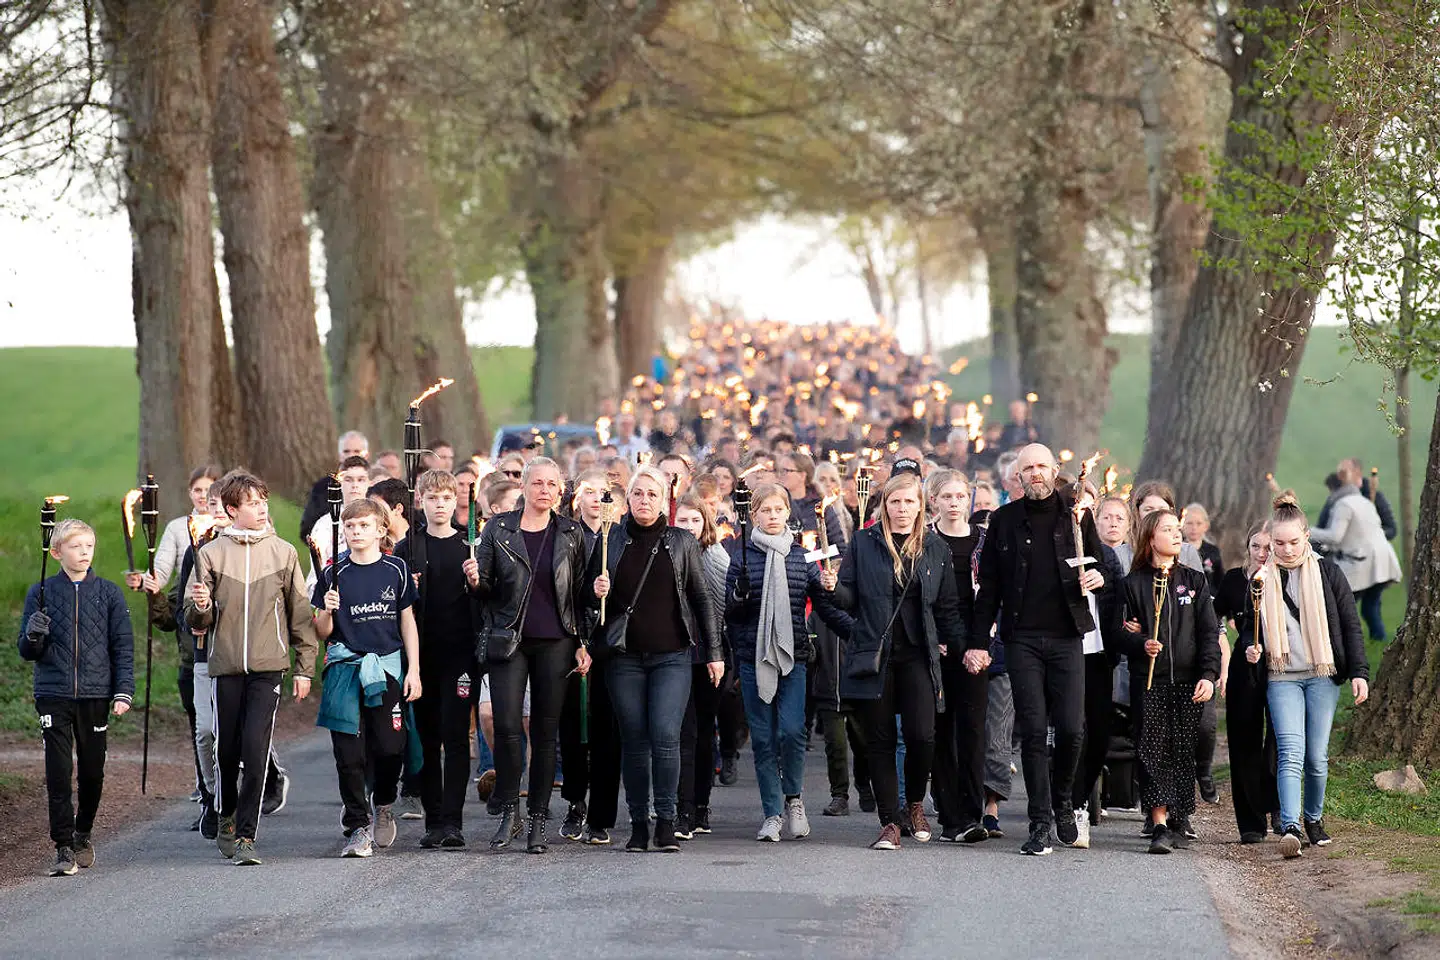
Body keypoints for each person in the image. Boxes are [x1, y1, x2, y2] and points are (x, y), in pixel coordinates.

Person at [820, 465, 967, 851]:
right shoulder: (865, 543)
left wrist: (964, 649)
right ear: (884, 505)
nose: (902, 508)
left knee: (922, 735)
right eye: (895, 501)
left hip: (919, 654)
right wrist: (834, 588)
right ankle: (889, 822)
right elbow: (849, 599)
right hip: (876, 653)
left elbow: (948, 607)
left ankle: (915, 802)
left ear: (921, 506)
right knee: (881, 741)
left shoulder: (935, 548)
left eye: (909, 502)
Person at [972, 444, 1107, 856]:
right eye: (1026, 468)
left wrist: (1097, 578)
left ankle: (1063, 801)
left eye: (1040, 467)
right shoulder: (1004, 521)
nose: (1034, 474)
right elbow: (990, 585)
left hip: (1067, 635)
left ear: (1054, 471)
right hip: (1021, 637)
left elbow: (1100, 564)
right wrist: (978, 642)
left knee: (1070, 728)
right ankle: (1039, 822)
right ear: (1017, 477)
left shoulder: (1075, 515)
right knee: (1032, 732)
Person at [186, 470, 319, 866]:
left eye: (264, 502)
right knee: (227, 749)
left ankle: (246, 834)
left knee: (255, 748)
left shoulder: (283, 552)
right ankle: (225, 813)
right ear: (231, 510)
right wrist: (201, 606)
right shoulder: (210, 554)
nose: (262, 509)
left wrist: (304, 668)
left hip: (268, 668)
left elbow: (300, 615)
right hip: (225, 667)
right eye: (252, 503)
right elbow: (195, 623)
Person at [590, 466, 725, 853]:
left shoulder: (681, 541)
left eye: (651, 494)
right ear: (627, 499)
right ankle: (637, 823)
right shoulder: (610, 539)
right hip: (624, 657)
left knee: (666, 735)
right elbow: (586, 594)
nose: (644, 501)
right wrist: (594, 588)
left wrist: (714, 654)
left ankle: (665, 821)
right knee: (634, 739)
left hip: (673, 656)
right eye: (637, 494)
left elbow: (702, 601)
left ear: (664, 498)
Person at [469, 456, 592, 854]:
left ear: (560, 491)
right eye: (536, 482)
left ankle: (538, 815)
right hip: (509, 639)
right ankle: (510, 809)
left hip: (556, 641)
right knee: (505, 725)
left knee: (544, 730)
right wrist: (474, 579)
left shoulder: (571, 534)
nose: (543, 490)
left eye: (551, 484)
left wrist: (584, 638)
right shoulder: (498, 529)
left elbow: (581, 595)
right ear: (523, 487)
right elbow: (485, 590)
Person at [1244, 493, 1369, 859]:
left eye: (1293, 542)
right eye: (1277, 543)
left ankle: (1314, 819)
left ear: (1306, 536)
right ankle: (1291, 825)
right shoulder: (1260, 578)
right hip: (1282, 675)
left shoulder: (1327, 572)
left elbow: (1350, 625)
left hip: (1322, 673)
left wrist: (1359, 672)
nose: (1284, 549)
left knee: (1316, 756)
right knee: (1290, 751)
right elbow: (1249, 627)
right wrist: (1252, 649)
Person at [726, 483, 851, 842]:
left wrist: (856, 632)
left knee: (793, 731)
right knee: (763, 739)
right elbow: (731, 612)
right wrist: (739, 594)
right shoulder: (743, 556)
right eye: (765, 510)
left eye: (778, 510)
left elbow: (824, 606)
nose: (772, 516)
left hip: (793, 656)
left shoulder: (800, 557)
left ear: (787, 514)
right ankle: (771, 813)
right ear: (754, 516)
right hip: (753, 659)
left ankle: (794, 798)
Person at [18, 518, 134, 877]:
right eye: (76, 546)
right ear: (57, 552)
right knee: (58, 771)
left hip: (96, 694)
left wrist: (123, 690)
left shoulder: (110, 593)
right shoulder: (40, 592)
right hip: (53, 693)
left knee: (92, 772)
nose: (84, 552)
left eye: (89, 546)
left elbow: (122, 646)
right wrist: (35, 634)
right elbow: (27, 650)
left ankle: (83, 831)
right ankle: (63, 846)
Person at [313, 498, 422, 858]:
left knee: (391, 746)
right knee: (349, 752)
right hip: (345, 668)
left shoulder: (397, 569)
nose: (356, 532)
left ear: (380, 530)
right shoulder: (333, 573)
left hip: (387, 666)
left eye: (363, 526)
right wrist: (327, 611)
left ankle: (384, 801)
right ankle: (357, 826)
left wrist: (414, 671)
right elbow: (322, 631)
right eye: (350, 526)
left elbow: (407, 622)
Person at [1119, 510, 1220, 854]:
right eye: (1168, 530)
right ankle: (1158, 821)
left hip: (1188, 680)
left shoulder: (1194, 581)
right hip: (1150, 681)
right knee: (1152, 749)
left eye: (1179, 530)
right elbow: (1117, 632)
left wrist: (1208, 674)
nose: (1177, 535)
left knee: (1182, 749)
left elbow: (1208, 632)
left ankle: (1179, 816)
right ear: (1150, 538)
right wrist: (1140, 642)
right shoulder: (1132, 584)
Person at [396, 470, 478, 849]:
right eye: (433, 498)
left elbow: (486, 598)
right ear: (421, 502)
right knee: (428, 737)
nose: (440, 504)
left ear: (456, 500)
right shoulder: (408, 548)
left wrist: (477, 583)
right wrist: (407, 590)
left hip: (460, 655)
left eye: (447, 497)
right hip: (422, 655)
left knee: (455, 734)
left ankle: (454, 821)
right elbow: (395, 603)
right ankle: (433, 819)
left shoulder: (470, 546)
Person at [925, 470, 993, 844]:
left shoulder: (984, 542)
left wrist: (980, 643)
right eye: (946, 496)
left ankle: (972, 812)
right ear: (933, 501)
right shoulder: (927, 543)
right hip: (937, 646)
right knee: (940, 729)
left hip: (976, 647)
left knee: (973, 730)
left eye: (960, 496)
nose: (954, 503)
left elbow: (993, 594)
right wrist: (933, 638)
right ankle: (949, 815)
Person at [557, 471, 624, 845]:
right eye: (589, 492)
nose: (597, 499)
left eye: (604, 493)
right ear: (576, 498)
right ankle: (574, 801)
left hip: (610, 642)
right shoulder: (567, 536)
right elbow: (562, 588)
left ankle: (601, 813)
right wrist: (587, 591)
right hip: (574, 639)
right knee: (573, 729)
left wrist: (607, 591)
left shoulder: (620, 537)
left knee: (606, 729)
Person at [1215, 521, 1280, 844]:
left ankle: (1277, 802)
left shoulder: (1284, 581)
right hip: (1245, 665)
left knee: (1279, 737)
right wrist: (1224, 637)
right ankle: (1250, 820)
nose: (1262, 553)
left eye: (1268, 548)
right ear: (1248, 547)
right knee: (1244, 738)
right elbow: (1211, 615)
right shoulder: (1232, 580)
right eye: (1256, 546)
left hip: (1280, 665)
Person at [674, 494, 733, 839]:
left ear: (705, 524)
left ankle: (700, 805)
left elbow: (721, 605)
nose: (689, 527)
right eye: (683, 521)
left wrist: (717, 651)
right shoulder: (668, 552)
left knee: (703, 731)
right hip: (677, 650)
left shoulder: (715, 557)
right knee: (683, 730)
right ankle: (681, 803)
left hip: (709, 652)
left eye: (695, 521)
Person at [1309, 461, 1403, 643]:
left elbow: (1335, 536)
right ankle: (1379, 642)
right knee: (1370, 608)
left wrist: (1308, 531)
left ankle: (1349, 646)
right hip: (1382, 561)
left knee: (1344, 608)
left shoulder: (1343, 504)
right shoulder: (1363, 501)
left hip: (1363, 563)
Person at [306, 456, 372, 589]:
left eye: (361, 480)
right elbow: (316, 573)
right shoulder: (324, 525)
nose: (355, 485)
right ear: (340, 482)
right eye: (348, 480)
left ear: (370, 483)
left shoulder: (378, 521)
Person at [300, 430, 369, 541]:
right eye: (346, 451)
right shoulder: (322, 488)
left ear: (366, 454)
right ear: (339, 455)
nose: (351, 455)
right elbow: (307, 528)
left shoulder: (377, 486)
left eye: (357, 451)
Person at [1317, 458, 1397, 541]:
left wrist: (1375, 533)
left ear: (1357, 473)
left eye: (1344, 473)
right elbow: (1322, 526)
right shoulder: (1334, 499)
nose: (1339, 477)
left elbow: (1391, 530)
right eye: (1339, 473)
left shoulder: (1374, 496)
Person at [1180, 503, 1224, 593]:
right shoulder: (1177, 550)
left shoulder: (1213, 551)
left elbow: (1219, 581)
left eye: (1199, 523)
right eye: (1189, 523)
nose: (1194, 528)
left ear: (1206, 526)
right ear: (1182, 524)